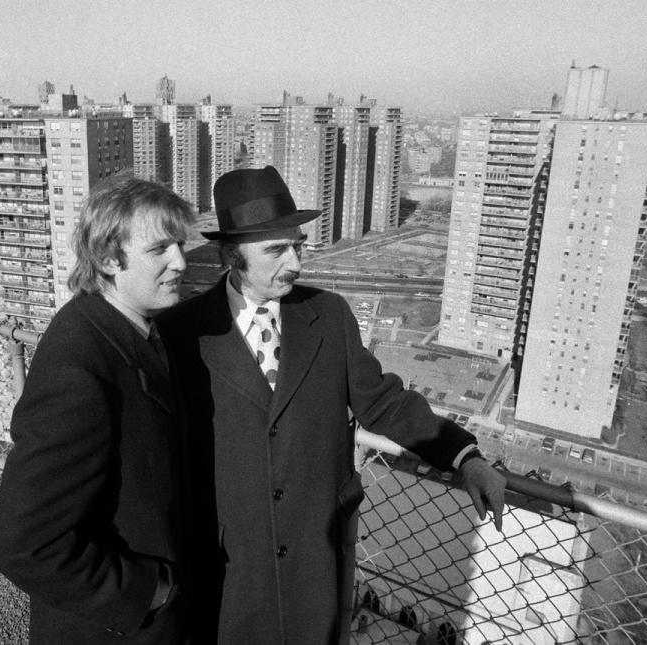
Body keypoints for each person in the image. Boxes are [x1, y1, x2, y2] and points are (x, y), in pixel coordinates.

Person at [158, 166, 507, 645]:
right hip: (229, 570)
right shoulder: (182, 333)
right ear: (230, 255)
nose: (296, 263)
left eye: (298, 245)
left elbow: (385, 403)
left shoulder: (331, 316)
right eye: (276, 250)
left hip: (314, 565)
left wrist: (465, 458)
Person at [0, 173, 195, 644]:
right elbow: (22, 544)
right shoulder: (79, 364)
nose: (181, 262)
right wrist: (149, 591)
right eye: (159, 249)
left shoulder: (129, 326)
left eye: (180, 245)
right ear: (107, 258)